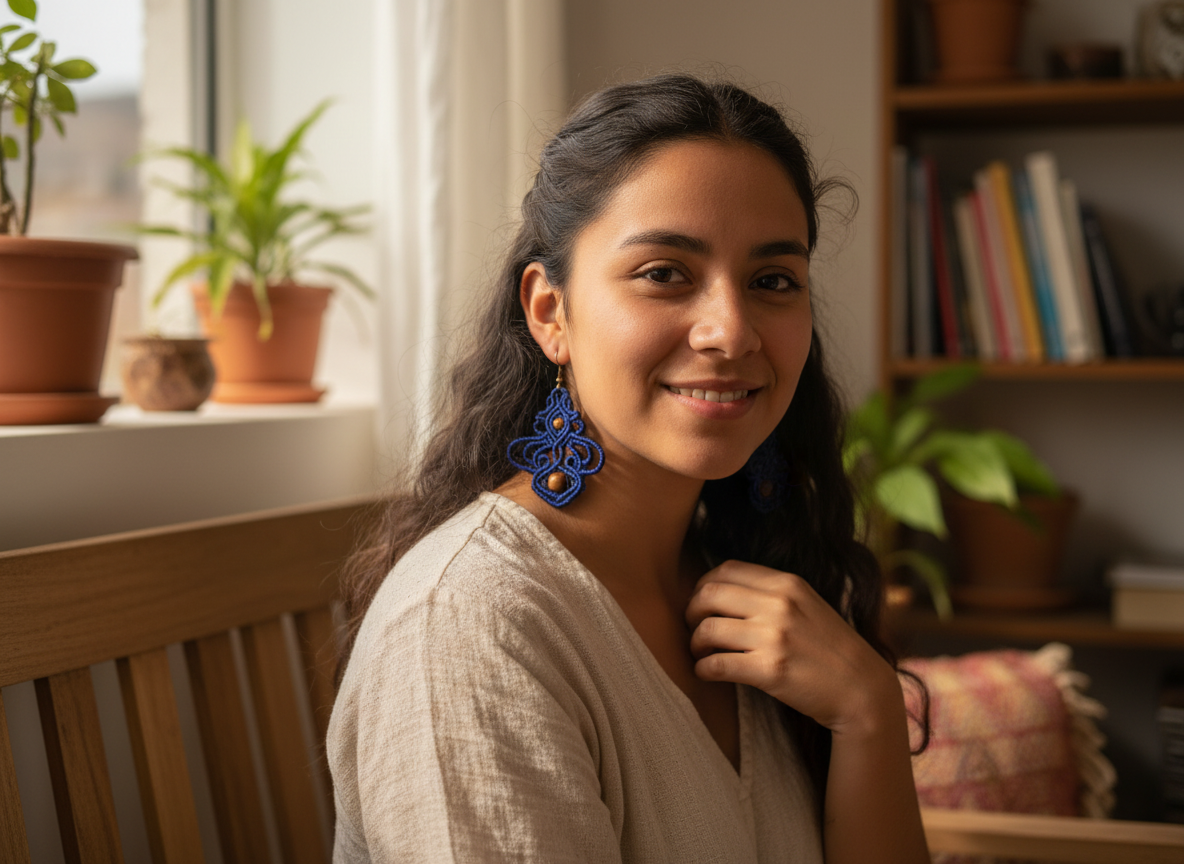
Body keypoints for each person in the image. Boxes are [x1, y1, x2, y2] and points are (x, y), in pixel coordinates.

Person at [329, 73, 930, 863]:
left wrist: (869, 714)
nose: (731, 330)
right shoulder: (472, 625)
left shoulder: (746, 571)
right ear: (551, 313)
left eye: (772, 281)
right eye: (664, 273)